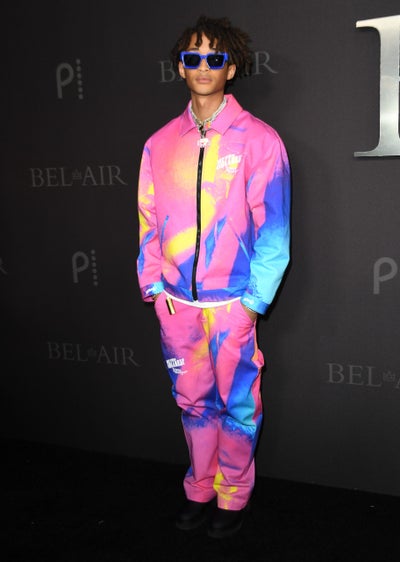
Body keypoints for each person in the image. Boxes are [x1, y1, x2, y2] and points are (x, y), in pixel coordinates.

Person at [136, 15, 291, 539]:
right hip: (177, 306)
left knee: (239, 406)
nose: (204, 66)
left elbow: (274, 232)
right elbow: (148, 220)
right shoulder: (159, 145)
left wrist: (251, 303)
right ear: (181, 67)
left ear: (232, 67)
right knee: (193, 403)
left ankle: (234, 494)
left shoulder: (259, 141)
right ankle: (200, 487)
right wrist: (154, 288)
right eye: (193, 57)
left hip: (232, 306)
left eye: (215, 57)